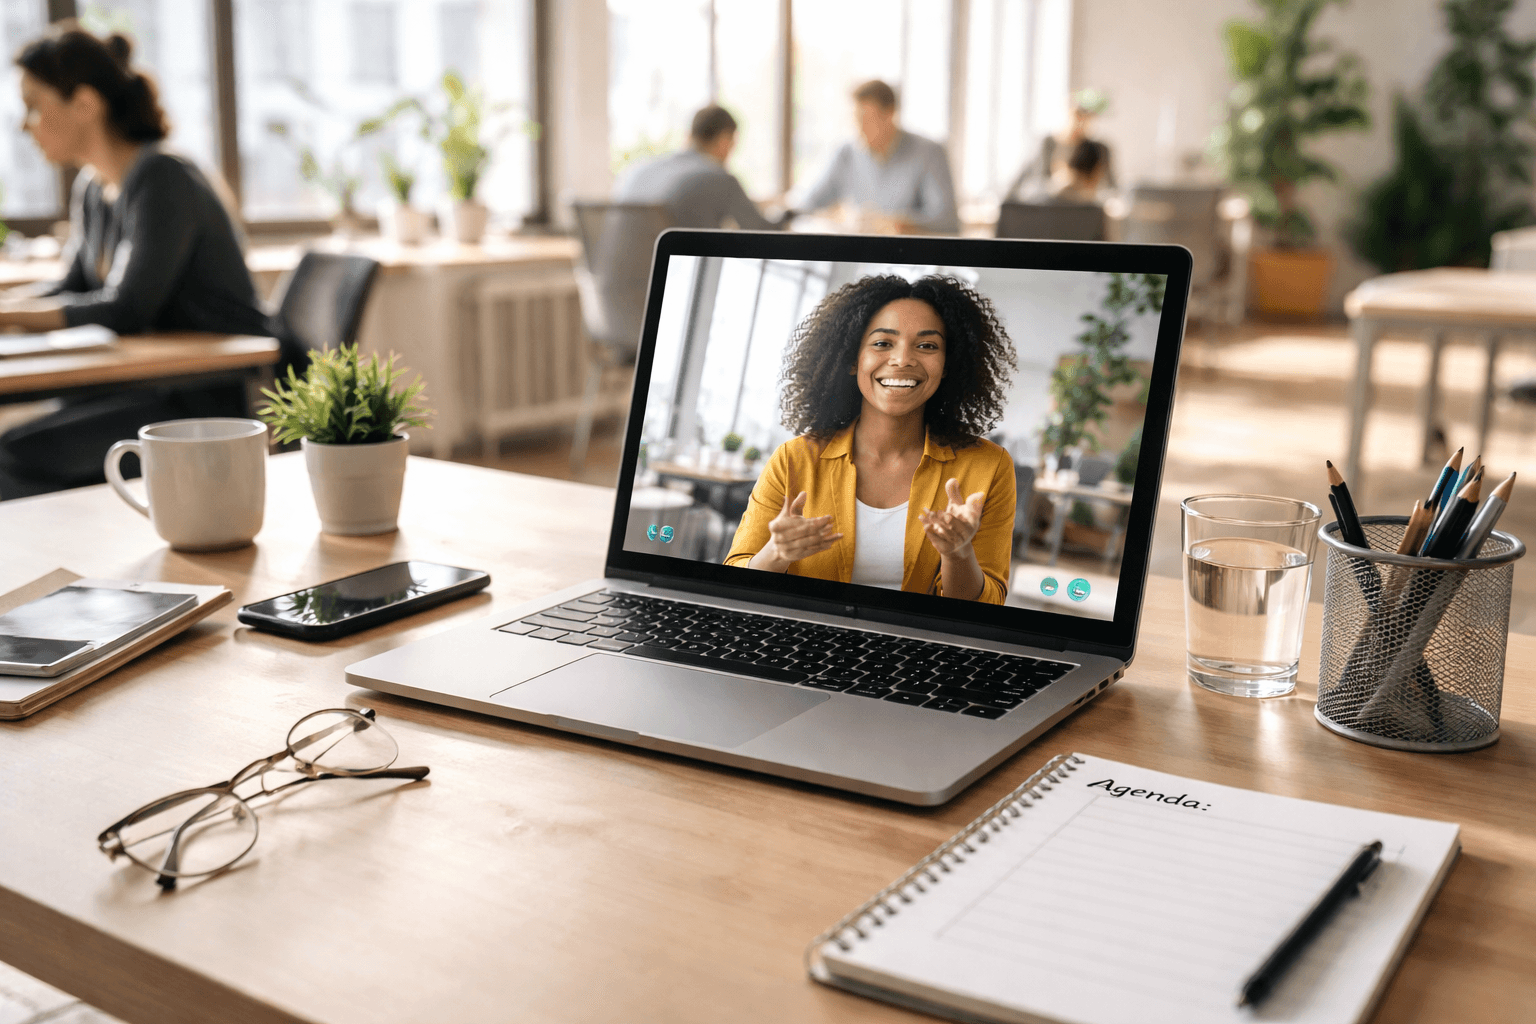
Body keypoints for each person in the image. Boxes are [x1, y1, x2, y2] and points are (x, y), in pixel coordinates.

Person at [0, 26, 279, 498]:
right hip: (145, 389)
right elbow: (71, 285)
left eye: (34, 104)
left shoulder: (163, 177)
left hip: (201, 398)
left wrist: (8, 314)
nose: (25, 124)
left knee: (9, 458)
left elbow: (126, 308)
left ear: (85, 104)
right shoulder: (93, 188)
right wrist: (10, 305)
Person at [724, 275, 1017, 604]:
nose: (902, 359)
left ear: (948, 365)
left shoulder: (989, 467)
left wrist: (959, 554)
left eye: (927, 345)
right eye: (882, 343)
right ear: (852, 360)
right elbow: (735, 576)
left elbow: (987, 605)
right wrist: (777, 553)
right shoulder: (794, 459)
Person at [796, 80, 960, 235]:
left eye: (865, 120)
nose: (858, 129)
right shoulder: (846, 153)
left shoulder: (929, 153)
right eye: (854, 120)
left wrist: (895, 223)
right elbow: (806, 203)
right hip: (856, 257)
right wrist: (834, 216)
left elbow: (948, 221)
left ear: (889, 115)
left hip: (908, 259)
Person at [613, 105, 780, 230]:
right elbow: (762, 231)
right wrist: (787, 216)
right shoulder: (720, 179)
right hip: (673, 273)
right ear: (724, 141)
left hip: (616, 275)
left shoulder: (637, 170)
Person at [1005, 88, 1116, 202]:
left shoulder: (1098, 149)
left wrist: (1086, 189)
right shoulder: (1047, 144)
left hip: (1084, 210)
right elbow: (1023, 187)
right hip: (1047, 209)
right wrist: (1055, 184)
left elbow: (1112, 190)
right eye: (1077, 115)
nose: (1081, 122)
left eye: (1088, 117)